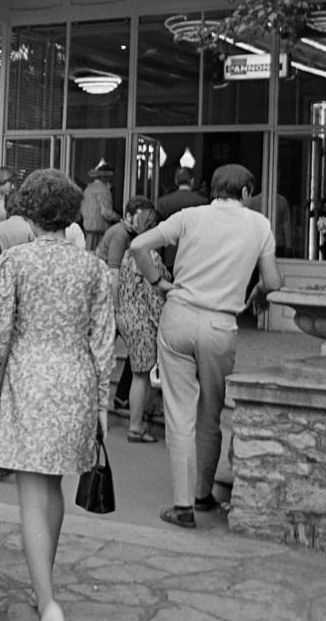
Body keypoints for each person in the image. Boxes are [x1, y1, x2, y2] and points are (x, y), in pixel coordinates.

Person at [0, 169, 115, 621]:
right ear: (69, 213)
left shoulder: (15, 261)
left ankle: (47, 603)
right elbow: (103, 342)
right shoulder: (91, 267)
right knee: (53, 490)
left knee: (30, 495)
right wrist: (102, 403)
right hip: (77, 380)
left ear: (26, 212)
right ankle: (43, 583)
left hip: (30, 379)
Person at [130, 163, 281, 528]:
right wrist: (258, 291)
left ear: (213, 188)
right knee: (210, 414)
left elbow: (138, 244)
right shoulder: (259, 225)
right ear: (246, 193)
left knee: (179, 413)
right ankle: (203, 495)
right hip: (219, 325)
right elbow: (273, 281)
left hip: (178, 316)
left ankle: (182, 507)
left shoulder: (190, 216)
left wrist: (156, 281)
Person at [112, 198, 164, 441]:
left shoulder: (128, 254)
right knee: (142, 376)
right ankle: (136, 426)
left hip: (127, 317)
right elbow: (153, 296)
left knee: (138, 372)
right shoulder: (150, 257)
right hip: (143, 321)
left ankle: (139, 419)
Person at [98, 195, 153, 417]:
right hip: (111, 302)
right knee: (132, 348)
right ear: (128, 215)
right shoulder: (121, 234)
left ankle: (121, 397)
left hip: (114, 302)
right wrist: (118, 308)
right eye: (139, 217)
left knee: (134, 349)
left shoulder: (127, 232)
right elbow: (114, 272)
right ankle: (113, 400)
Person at [153, 167, 206, 276]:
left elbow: (158, 228)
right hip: (194, 254)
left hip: (169, 255)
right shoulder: (202, 201)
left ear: (176, 182)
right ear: (192, 181)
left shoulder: (163, 202)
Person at [79, 163, 120, 251]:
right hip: (99, 229)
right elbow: (106, 212)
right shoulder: (104, 190)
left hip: (87, 227)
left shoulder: (87, 189)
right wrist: (118, 218)